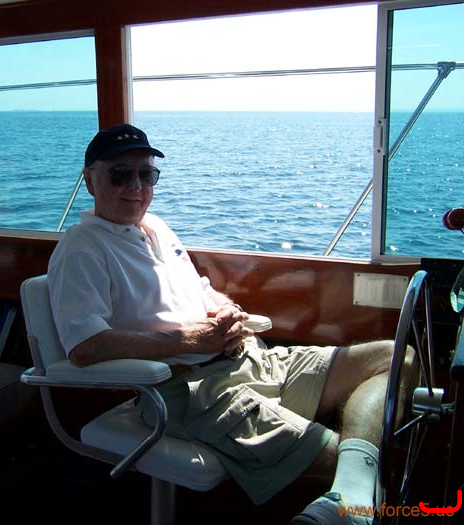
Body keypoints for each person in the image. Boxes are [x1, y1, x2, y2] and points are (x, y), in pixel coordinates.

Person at [48, 124, 414, 525]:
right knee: (359, 467)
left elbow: (202, 289)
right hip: (191, 391)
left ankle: (351, 494)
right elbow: (85, 346)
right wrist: (192, 340)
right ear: (90, 180)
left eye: (146, 174)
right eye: (120, 174)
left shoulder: (156, 227)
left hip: (249, 360)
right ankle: (352, 495)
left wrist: (228, 311)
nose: (136, 186)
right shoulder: (82, 248)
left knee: (397, 359)